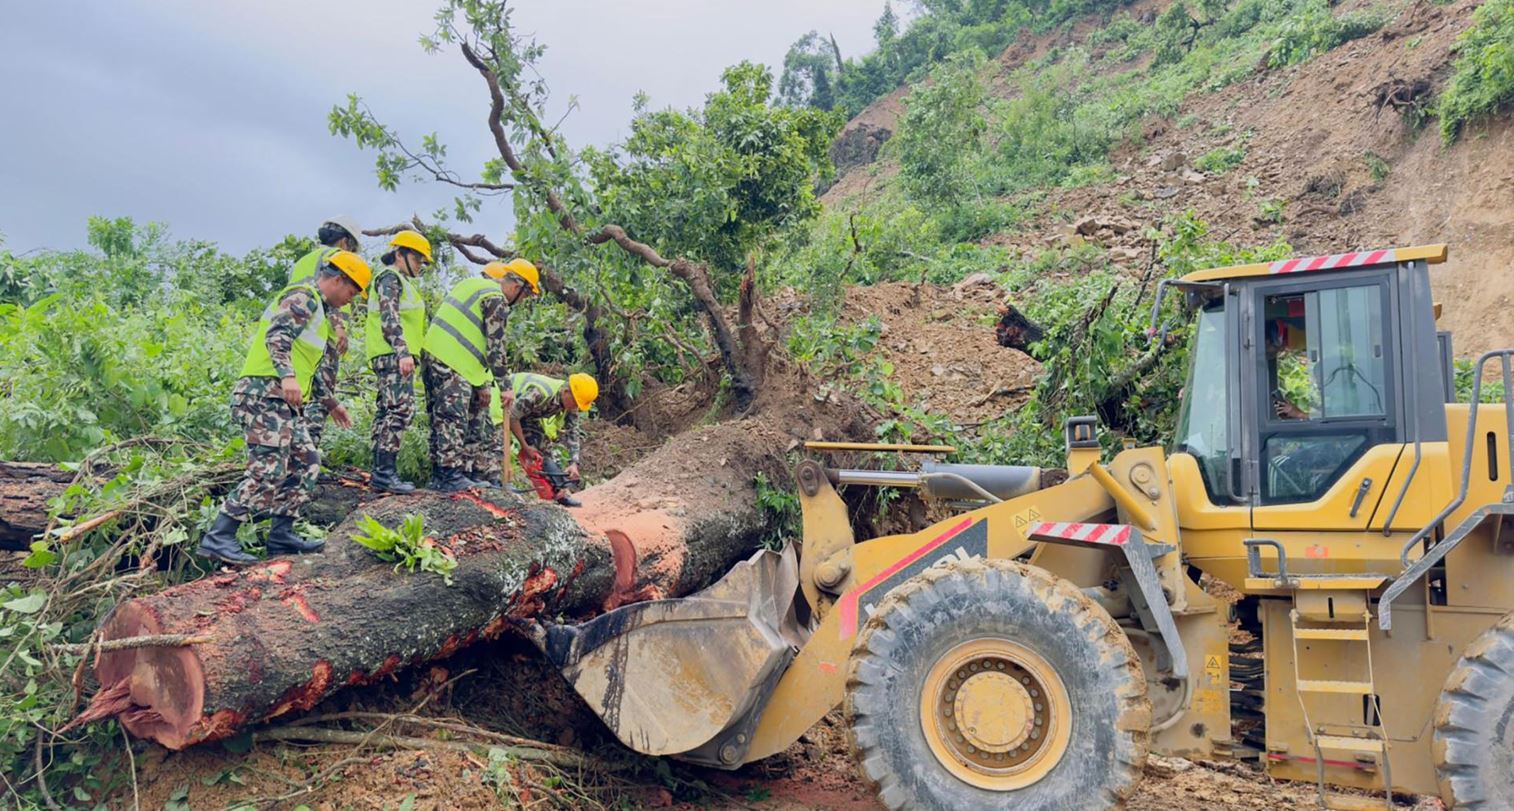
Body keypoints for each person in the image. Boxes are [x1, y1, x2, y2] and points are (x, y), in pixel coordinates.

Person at [197, 251, 371, 566]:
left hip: (282, 400)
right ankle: (219, 536)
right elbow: (276, 336)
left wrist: (330, 401)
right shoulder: (303, 297)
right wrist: (287, 376)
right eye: (352, 291)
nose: (351, 300)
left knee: (307, 461)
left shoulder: (319, 311)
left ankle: (281, 534)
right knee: (268, 470)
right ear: (338, 279)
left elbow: (308, 365)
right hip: (263, 392)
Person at [421, 258, 540, 492]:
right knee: (452, 419)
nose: (522, 300)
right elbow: (495, 347)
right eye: (525, 296)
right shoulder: (496, 299)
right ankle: (449, 475)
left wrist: (482, 382)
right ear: (518, 288)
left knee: (441, 417)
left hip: (435, 354)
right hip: (452, 360)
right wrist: (505, 385)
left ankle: (442, 475)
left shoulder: (475, 285)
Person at [366, 230, 432, 493]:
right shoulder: (390, 278)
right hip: (393, 354)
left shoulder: (401, 282)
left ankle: (380, 471)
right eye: (417, 259)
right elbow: (389, 317)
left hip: (390, 354)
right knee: (400, 410)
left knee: (387, 411)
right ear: (399, 254)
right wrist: (403, 351)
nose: (420, 265)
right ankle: (384, 473)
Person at [291, 218, 364, 452]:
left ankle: (297, 456)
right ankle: (307, 456)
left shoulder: (303, 261)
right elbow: (328, 296)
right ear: (344, 241)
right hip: (321, 336)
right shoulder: (334, 258)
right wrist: (340, 328)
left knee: (301, 396)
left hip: (298, 333)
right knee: (319, 396)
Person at [508, 372, 597, 507]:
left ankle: (558, 493)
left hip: (526, 415)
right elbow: (512, 416)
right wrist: (525, 446)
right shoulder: (540, 393)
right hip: (503, 405)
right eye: (576, 402)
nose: (575, 407)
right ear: (566, 392)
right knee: (496, 448)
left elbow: (573, 431)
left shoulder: (570, 404)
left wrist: (574, 462)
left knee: (543, 451)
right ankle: (497, 488)